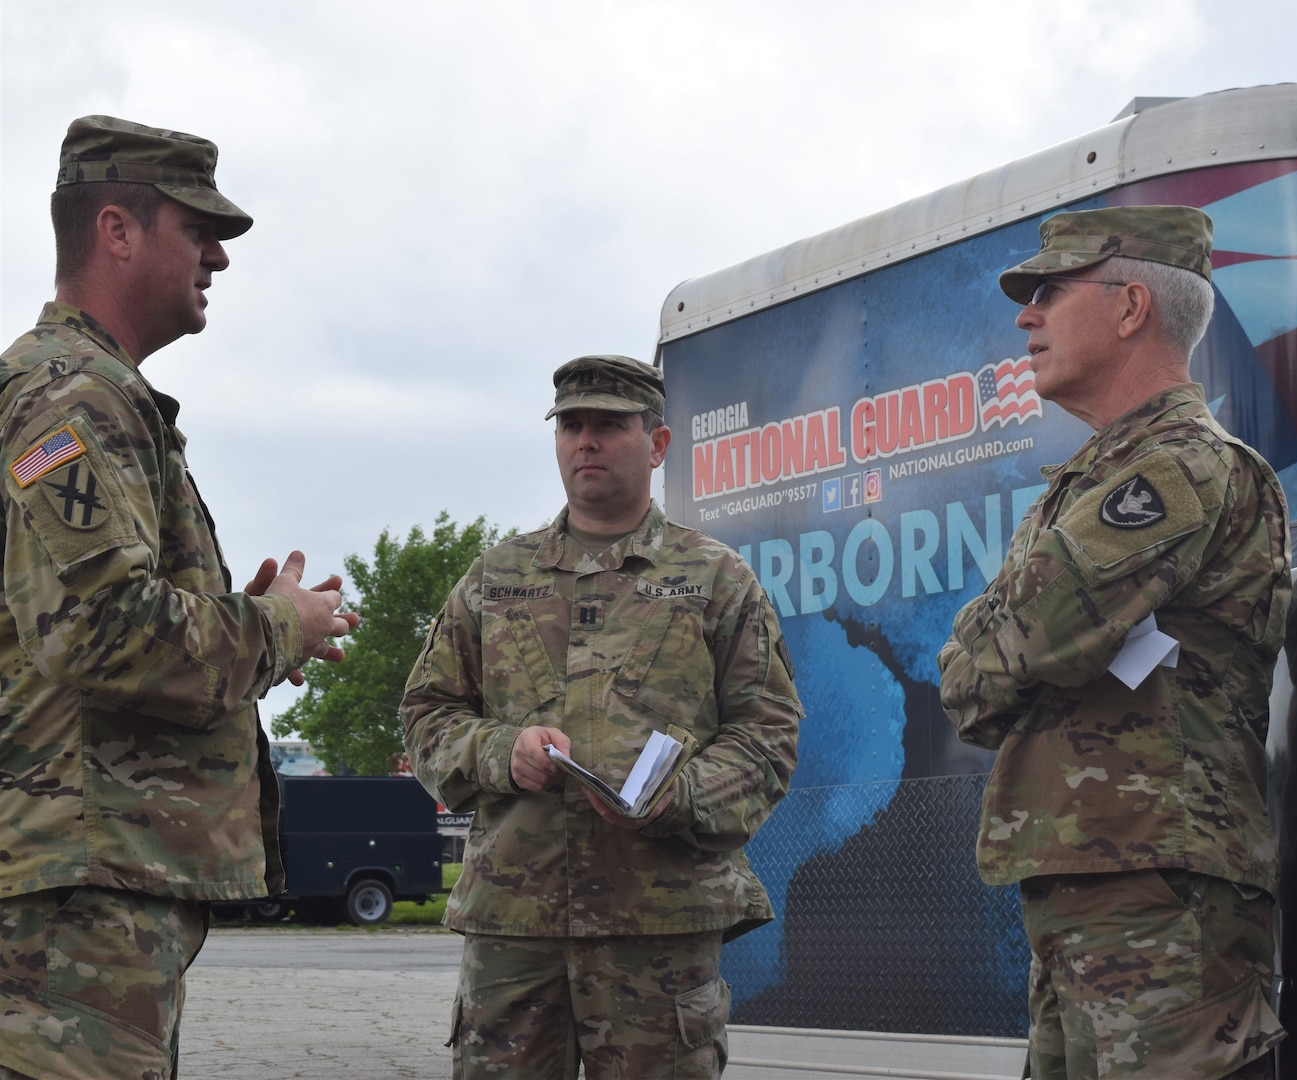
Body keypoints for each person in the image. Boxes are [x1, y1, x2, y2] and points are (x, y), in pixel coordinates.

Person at [0, 115, 357, 1080]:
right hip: (70, 907)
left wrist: (241, 625)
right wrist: (279, 626)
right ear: (116, 231)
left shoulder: (81, 392)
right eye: (197, 229)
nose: (218, 259)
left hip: (81, 892)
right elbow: (103, 631)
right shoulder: (74, 398)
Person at [936, 206, 1292, 1079]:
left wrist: (996, 644)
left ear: (1131, 307)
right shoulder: (1098, 477)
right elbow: (967, 682)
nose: (1027, 316)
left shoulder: (1182, 465)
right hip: (1099, 884)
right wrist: (994, 646)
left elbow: (1034, 633)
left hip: (1160, 893)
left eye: (1050, 291)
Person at [401, 354, 803, 1079]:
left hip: (659, 927)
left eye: (608, 426)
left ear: (656, 445)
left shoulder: (715, 579)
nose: (585, 442)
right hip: (516, 927)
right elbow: (427, 714)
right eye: (571, 425)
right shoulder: (495, 579)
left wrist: (679, 794)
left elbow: (767, 734)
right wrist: (501, 751)